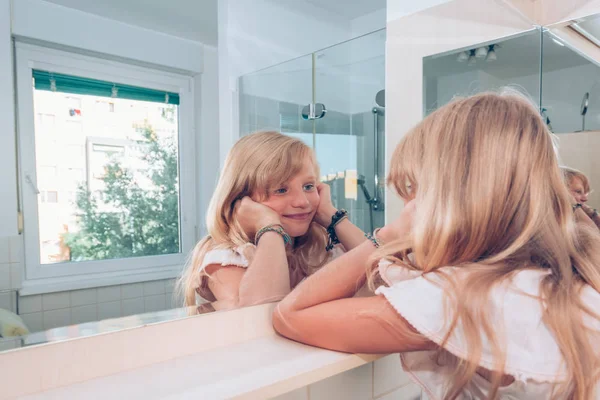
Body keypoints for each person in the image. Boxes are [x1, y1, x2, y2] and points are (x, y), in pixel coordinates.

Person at [273, 92, 600, 399]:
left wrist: (387, 235)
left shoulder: (465, 296)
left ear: (449, 194)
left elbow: (292, 314)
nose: (409, 202)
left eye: (415, 188)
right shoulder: (570, 269)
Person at [176, 131, 366, 310]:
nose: (303, 201)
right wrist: (269, 226)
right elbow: (261, 313)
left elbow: (387, 280)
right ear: (243, 199)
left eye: (308, 186)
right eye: (281, 190)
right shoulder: (224, 258)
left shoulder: (318, 244)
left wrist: (333, 218)